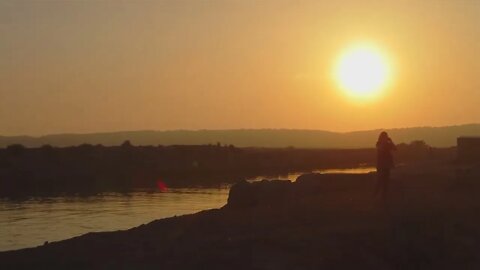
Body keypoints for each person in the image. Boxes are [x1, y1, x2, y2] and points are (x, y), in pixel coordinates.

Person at [375, 131, 396, 202]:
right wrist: (385, 143)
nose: (386, 138)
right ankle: (375, 195)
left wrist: (391, 141)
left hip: (386, 166)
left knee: (386, 182)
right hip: (381, 166)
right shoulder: (379, 143)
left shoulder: (388, 144)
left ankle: (384, 197)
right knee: (380, 181)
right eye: (385, 137)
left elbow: (395, 148)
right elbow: (380, 149)